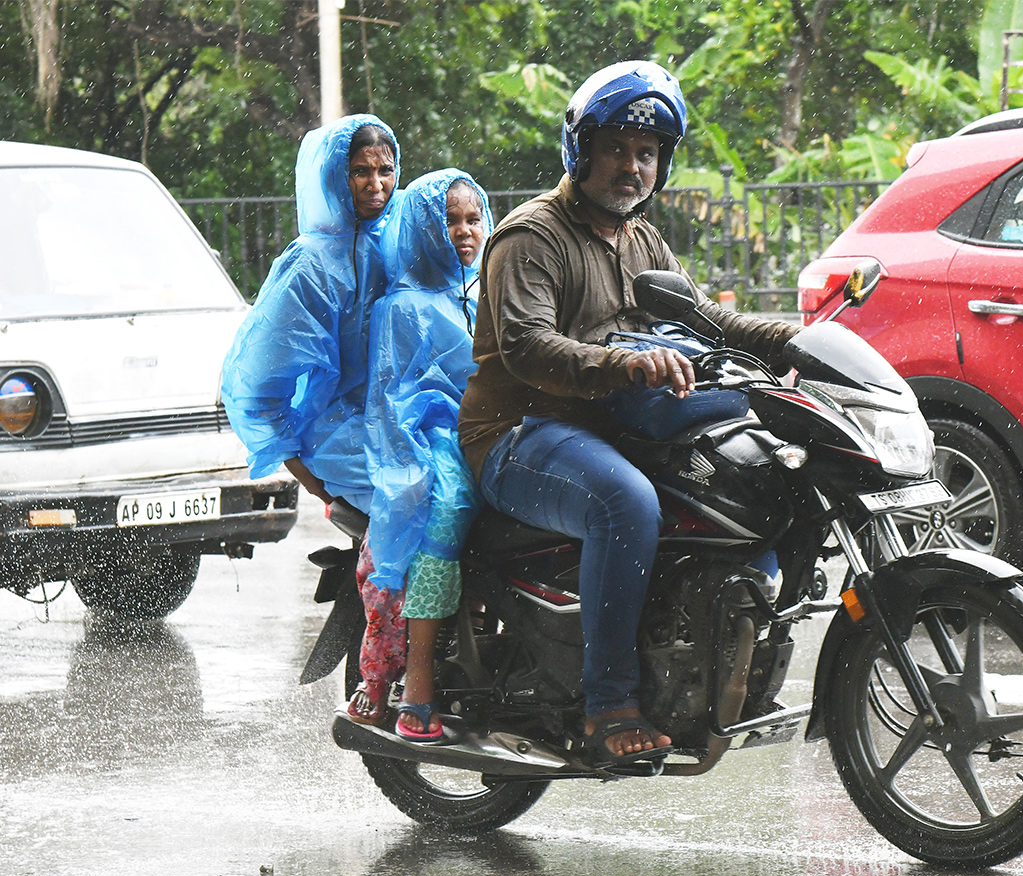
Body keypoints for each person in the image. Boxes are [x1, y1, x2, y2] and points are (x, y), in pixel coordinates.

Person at [457, 61, 803, 765]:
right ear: (581, 150)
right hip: (521, 433)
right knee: (626, 502)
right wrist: (628, 362)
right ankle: (607, 703)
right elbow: (527, 346)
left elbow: (701, 319)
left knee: (761, 482)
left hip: (614, 422)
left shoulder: (643, 238)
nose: (632, 167)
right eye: (616, 148)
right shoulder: (532, 237)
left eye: (647, 154)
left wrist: (801, 339)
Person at [348, 170, 492, 742]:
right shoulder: (402, 307)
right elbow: (392, 398)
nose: (463, 231)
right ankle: (416, 678)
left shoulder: (485, 288)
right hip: (432, 434)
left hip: (491, 423)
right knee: (450, 504)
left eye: (472, 218)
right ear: (422, 228)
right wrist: (411, 467)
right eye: (448, 220)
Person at [221, 114, 400, 515]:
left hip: (402, 432)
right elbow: (255, 387)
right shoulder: (311, 266)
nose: (376, 185)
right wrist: (317, 487)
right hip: (344, 446)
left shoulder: (397, 243)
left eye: (385, 170)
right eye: (360, 172)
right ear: (334, 176)